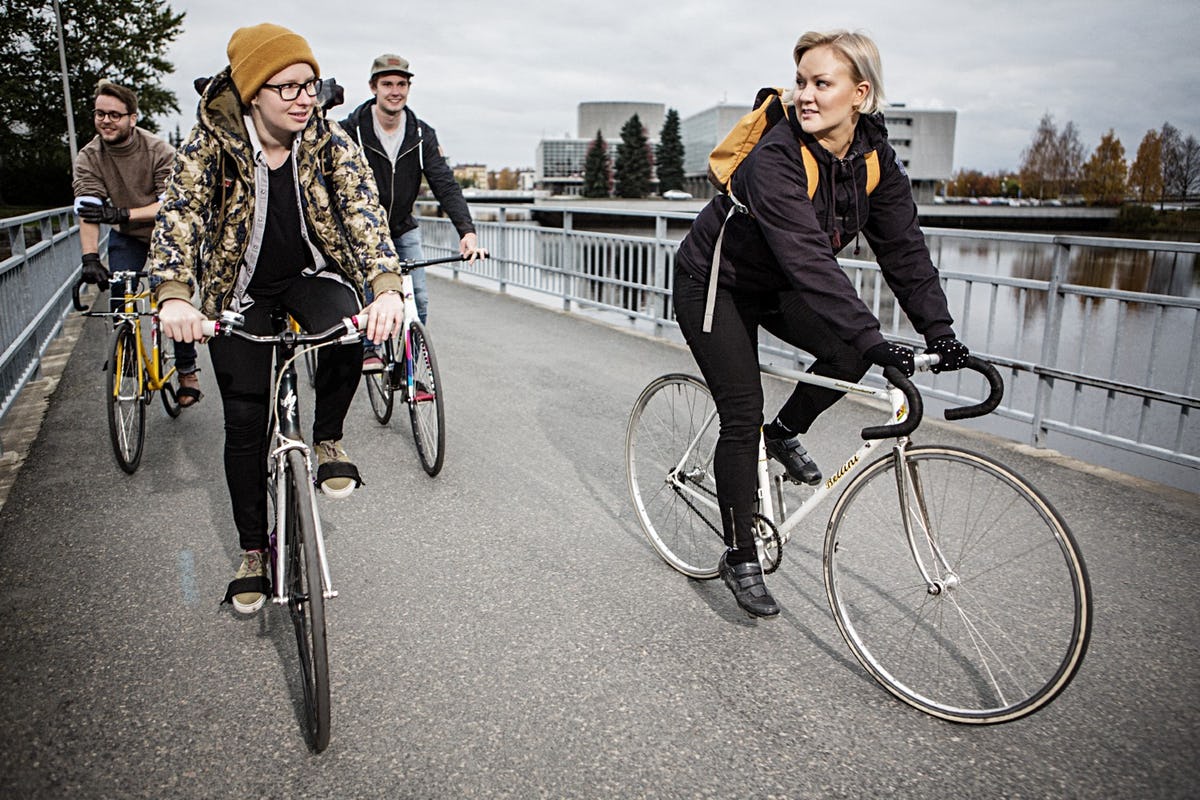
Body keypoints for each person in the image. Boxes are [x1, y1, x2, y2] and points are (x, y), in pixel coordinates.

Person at [673, 30, 971, 618]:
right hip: (716, 285)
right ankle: (739, 555)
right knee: (740, 413)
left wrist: (940, 332)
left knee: (848, 350)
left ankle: (783, 433)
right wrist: (878, 339)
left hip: (778, 284)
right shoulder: (776, 158)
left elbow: (904, 251)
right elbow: (810, 260)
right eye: (801, 82)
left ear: (859, 94)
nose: (805, 95)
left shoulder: (875, 162)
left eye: (821, 83)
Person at [150, 23, 406, 614]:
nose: (302, 98)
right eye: (286, 86)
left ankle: (327, 440)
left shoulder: (327, 138)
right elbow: (180, 218)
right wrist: (174, 296)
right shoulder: (209, 145)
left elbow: (363, 208)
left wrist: (386, 288)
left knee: (352, 325)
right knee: (244, 422)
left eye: (310, 85)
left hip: (309, 275)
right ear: (251, 93)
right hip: (236, 291)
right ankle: (253, 554)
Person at [338, 53, 483, 371]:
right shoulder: (351, 131)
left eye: (401, 84)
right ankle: (370, 348)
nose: (395, 91)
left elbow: (445, 184)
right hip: (363, 231)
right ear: (373, 87)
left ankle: (411, 371)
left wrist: (467, 232)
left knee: (418, 297)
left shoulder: (420, 134)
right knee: (371, 288)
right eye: (387, 84)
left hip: (403, 227)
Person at [72, 80, 202, 406]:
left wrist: (122, 212)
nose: (106, 121)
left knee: (172, 297)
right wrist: (90, 258)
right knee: (121, 294)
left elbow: (169, 205)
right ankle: (128, 356)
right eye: (100, 114)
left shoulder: (158, 150)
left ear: (132, 117)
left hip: (166, 232)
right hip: (127, 236)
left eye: (115, 115)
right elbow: (88, 212)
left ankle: (187, 369)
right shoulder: (89, 156)